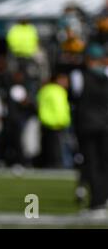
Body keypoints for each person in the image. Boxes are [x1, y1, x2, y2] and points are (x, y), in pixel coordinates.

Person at [70, 43, 108, 217]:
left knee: (92, 162)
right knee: (104, 163)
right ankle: (103, 199)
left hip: (87, 124)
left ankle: (97, 202)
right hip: (105, 124)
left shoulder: (79, 76)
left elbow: (75, 96)